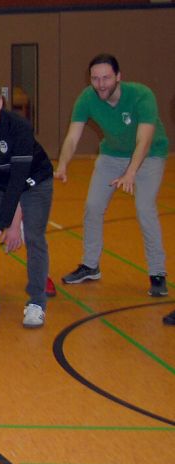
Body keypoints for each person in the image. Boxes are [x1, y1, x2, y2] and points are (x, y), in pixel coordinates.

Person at [56, 53, 168, 296]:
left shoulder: (141, 95)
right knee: (93, 206)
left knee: (144, 208)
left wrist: (130, 173)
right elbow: (72, 137)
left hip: (149, 155)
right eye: (95, 79)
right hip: (111, 155)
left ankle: (158, 273)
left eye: (106, 78)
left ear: (118, 77)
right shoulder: (87, 98)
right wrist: (63, 164)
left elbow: (144, 139)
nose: (101, 84)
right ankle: (90, 265)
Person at [0, 78, 54, 327]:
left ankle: (37, 302)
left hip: (34, 181)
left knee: (34, 237)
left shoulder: (19, 127)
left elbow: (18, 181)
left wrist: (4, 223)